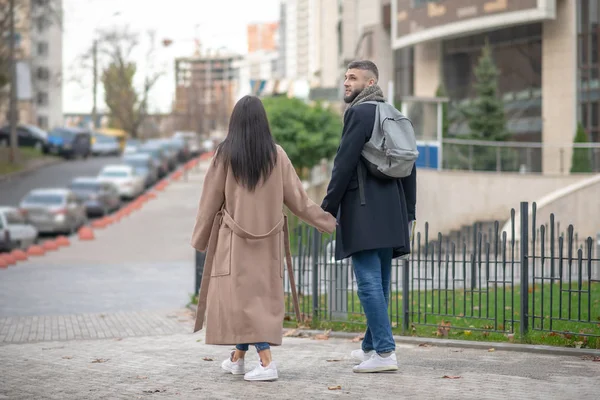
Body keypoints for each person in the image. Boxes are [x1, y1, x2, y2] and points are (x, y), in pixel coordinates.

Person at [190, 95, 337, 382]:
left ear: (235, 122)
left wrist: (200, 238)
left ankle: (267, 363)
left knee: (244, 301)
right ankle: (237, 358)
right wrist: (328, 222)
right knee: (257, 300)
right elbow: (299, 200)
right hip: (269, 243)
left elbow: (208, 201)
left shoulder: (225, 154)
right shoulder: (277, 155)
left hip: (234, 243)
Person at [321, 60, 417, 373]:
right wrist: (410, 212)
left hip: (364, 208)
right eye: (345, 77)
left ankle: (386, 353)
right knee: (381, 283)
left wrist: (328, 209)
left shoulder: (359, 113)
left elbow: (343, 163)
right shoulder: (393, 113)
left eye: (353, 78)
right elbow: (410, 167)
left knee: (367, 284)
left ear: (370, 81)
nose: (346, 83)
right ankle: (372, 346)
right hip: (392, 208)